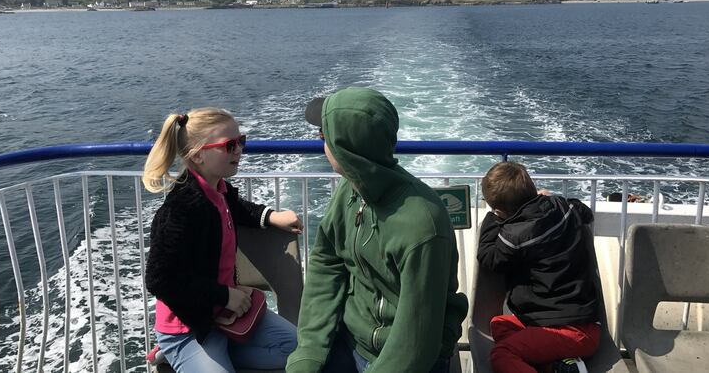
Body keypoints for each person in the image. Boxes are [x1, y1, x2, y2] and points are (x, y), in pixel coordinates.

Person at [287, 87, 468, 373]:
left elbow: (415, 344)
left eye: (323, 136)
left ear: (344, 149)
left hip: (410, 361)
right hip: (352, 343)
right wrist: (309, 351)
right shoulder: (350, 191)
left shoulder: (422, 225)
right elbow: (327, 264)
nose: (321, 144)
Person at [143, 108, 301, 373]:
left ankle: (217, 359)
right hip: (189, 327)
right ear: (198, 155)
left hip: (225, 316)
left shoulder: (218, 190)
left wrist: (271, 216)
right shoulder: (181, 210)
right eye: (229, 145)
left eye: (241, 141)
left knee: (298, 350)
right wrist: (225, 295)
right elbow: (159, 279)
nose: (239, 150)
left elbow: (237, 208)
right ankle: (174, 354)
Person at [477, 161, 601, 373]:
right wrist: (548, 199)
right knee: (500, 324)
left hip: (568, 330)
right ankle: (562, 366)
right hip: (580, 322)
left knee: (502, 354)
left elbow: (489, 257)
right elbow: (584, 211)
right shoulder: (564, 208)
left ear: (500, 210)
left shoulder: (514, 236)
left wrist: (491, 218)